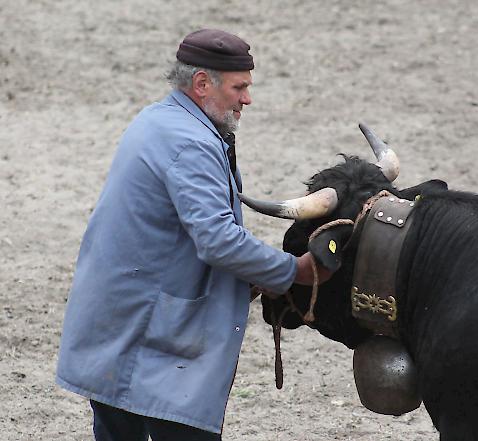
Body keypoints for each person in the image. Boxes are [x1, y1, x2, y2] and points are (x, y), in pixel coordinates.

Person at [56, 29, 328, 441]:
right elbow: (217, 239)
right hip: (151, 338)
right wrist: (294, 270)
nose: (247, 100)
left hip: (117, 322)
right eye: (239, 87)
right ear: (202, 83)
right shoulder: (192, 143)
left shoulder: (157, 118)